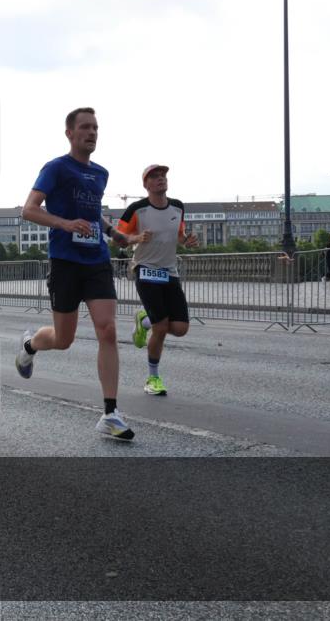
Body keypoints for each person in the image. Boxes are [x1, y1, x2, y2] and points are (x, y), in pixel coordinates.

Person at [14, 107, 134, 440]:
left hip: (96, 259)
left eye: (95, 127)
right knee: (63, 339)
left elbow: (94, 214)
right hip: (65, 261)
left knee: (107, 329)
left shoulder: (101, 173)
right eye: (85, 127)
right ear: (70, 133)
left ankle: (110, 413)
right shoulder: (56, 168)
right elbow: (29, 209)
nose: (92, 133)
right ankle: (30, 344)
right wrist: (65, 224)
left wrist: (114, 234)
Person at [118, 164, 199, 397]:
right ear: (146, 184)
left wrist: (187, 241)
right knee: (161, 327)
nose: (160, 179)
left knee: (181, 328)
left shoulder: (178, 207)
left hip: (169, 271)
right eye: (154, 176)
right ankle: (153, 378)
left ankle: (144, 320)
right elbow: (118, 239)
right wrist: (137, 237)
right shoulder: (136, 209)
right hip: (145, 270)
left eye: (163, 175)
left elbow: (179, 235)